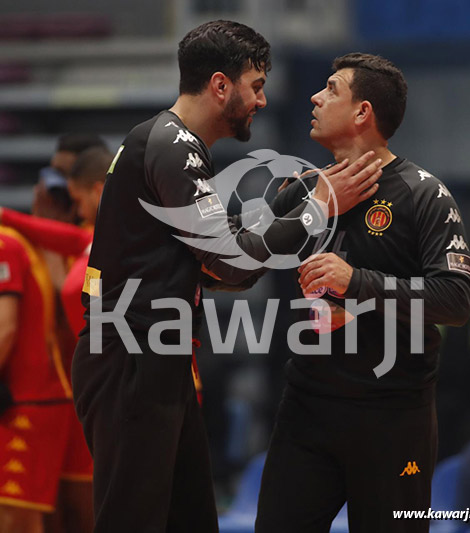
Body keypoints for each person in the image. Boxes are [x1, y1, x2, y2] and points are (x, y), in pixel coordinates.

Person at [71, 21, 383, 532]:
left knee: (191, 521)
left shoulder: (175, 145)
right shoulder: (173, 146)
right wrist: (318, 207)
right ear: (221, 85)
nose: (262, 100)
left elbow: (228, 269)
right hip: (131, 356)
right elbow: (231, 262)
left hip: (155, 357)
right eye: (255, 86)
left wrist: (297, 202)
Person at [253, 53, 470, 533]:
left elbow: (455, 300)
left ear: (362, 112)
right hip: (307, 405)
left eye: (331, 89)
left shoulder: (424, 194)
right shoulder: (304, 190)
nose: (315, 97)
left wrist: (356, 284)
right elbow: (243, 262)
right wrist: (312, 208)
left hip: (393, 414)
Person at [0, 224, 72, 532]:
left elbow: (5, 329)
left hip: (28, 399)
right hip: (24, 397)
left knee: (14, 516)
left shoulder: (4, 244)